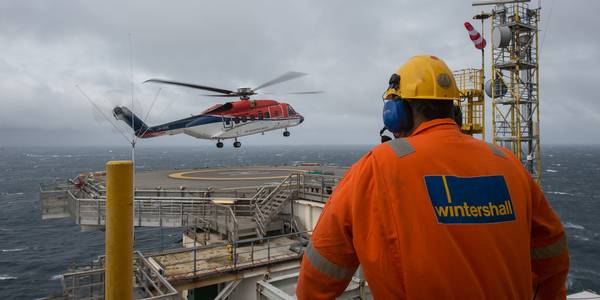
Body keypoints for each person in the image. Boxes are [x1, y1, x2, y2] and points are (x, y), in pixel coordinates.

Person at [296, 55, 569, 299]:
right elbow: (553, 252)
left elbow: (321, 267)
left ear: (396, 115)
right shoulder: (508, 163)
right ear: (456, 112)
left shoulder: (378, 165)